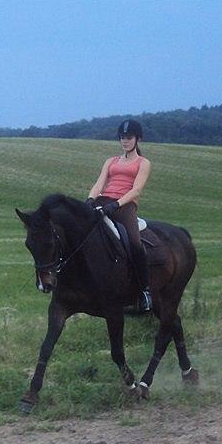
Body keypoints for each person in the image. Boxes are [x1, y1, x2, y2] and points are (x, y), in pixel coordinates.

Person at [86, 119, 153, 312]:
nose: (125, 141)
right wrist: (90, 199)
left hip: (125, 206)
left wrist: (117, 204)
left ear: (137, 139)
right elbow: (100, 183)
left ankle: (144, 291)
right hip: (104, 200)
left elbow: (137, 190)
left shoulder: (143, 163)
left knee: (135, 243)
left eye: (129, 138)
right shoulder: (111, 161)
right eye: (122, 138)